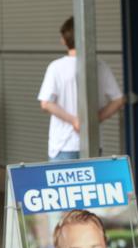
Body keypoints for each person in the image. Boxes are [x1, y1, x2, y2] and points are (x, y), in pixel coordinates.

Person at [37, 16, 125, 161]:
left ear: (63, 40)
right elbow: (119, 100)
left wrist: (74, 121)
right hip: (93, 142)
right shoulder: (99, 65)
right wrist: (94, 119)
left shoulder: (56, 67)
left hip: (63, 145)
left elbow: (46, 103)